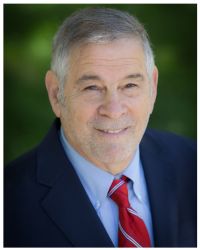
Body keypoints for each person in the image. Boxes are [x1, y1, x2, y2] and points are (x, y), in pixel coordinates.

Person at [4, 7, 196, 247]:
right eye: (92, 87)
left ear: (152, 87)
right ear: (56, 94)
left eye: (129, 85)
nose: (114, 109)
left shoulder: (193, 164)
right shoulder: (9, 204)